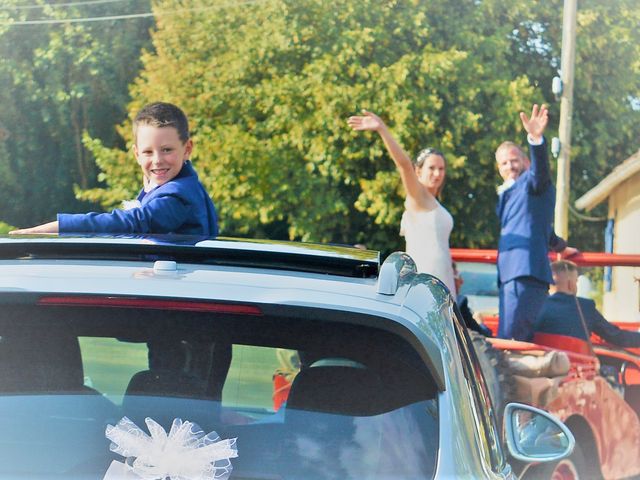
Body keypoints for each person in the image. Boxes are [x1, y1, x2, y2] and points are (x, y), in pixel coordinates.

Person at [10, 102, 218, 237]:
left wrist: (56, 227)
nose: (157, 160)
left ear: (187, 149)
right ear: (136, 154)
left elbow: (130, 223)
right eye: (148, 152)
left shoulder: (177, 198)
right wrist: (149, 188)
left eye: (166, 150)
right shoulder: (181, 184)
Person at [347, 110, 456, 297]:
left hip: (443, 280)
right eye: (431, 168)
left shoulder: (435, 204)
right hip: (425, 280)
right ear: (418, 171)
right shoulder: (417, 197)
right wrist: (382, 129)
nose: (437, 174)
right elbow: (403, 164)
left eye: (441, 168)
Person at [495, 104, 561, 342]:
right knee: (509, 338)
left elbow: (541, 171)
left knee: (512, 341)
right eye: (503, 163)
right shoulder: (506, 193)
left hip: (525, 272)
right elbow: (535, 225)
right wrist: (560, 245)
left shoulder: (533, 183)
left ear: (525, 161)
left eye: (514, 160)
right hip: (508, 275)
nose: (510, 166)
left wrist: (536, 139)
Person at [535, 260, 640, 348]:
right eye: (576, 281)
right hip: (579, 367)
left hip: (545, 368)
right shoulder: (586, 307)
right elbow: (617, 337)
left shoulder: (536, 306)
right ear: (570, 284)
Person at [452, 261, 493, 336]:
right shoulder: (459, 304)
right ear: (450, 278)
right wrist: (480, 323)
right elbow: (483, 335)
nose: (462, 281)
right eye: (458, 276)